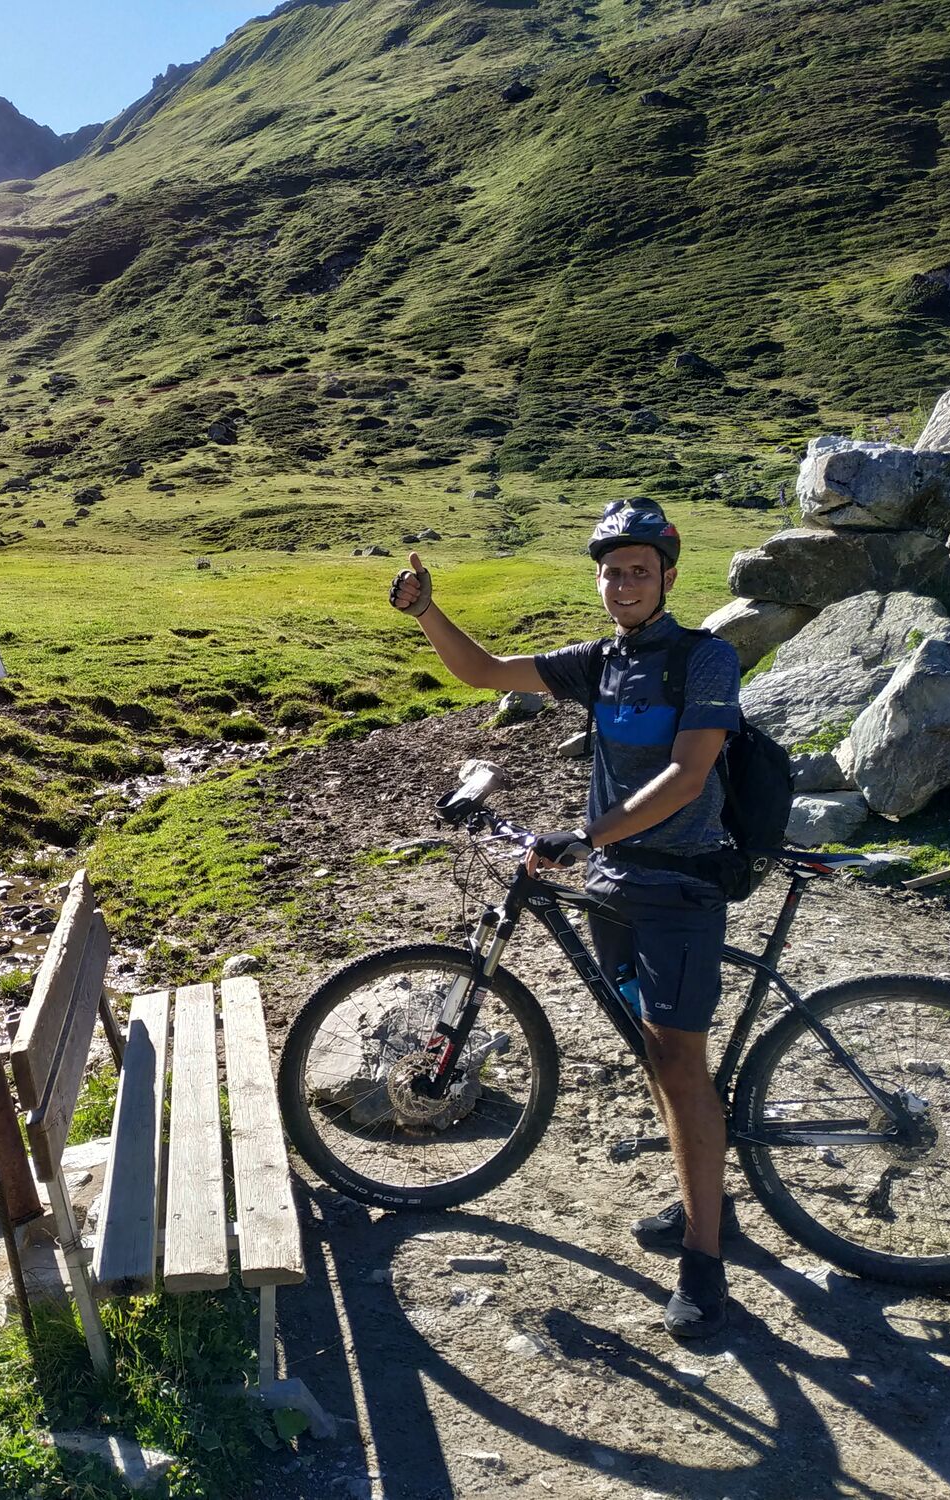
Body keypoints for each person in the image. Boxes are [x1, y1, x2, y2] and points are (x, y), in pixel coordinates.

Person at [388, 497, 741, 1338]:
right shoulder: (601, 662)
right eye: (612, 572)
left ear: (667, 577)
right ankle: (709, 1198)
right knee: (653, 1049)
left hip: (681, 884)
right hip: (614, 887)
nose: (623, 584)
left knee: (678, 1062)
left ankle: (705, 1260)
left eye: (639, 571)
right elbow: (484, 672)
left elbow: (690, 776)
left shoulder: (705, 658)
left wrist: (585, 835)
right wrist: (427, 611)